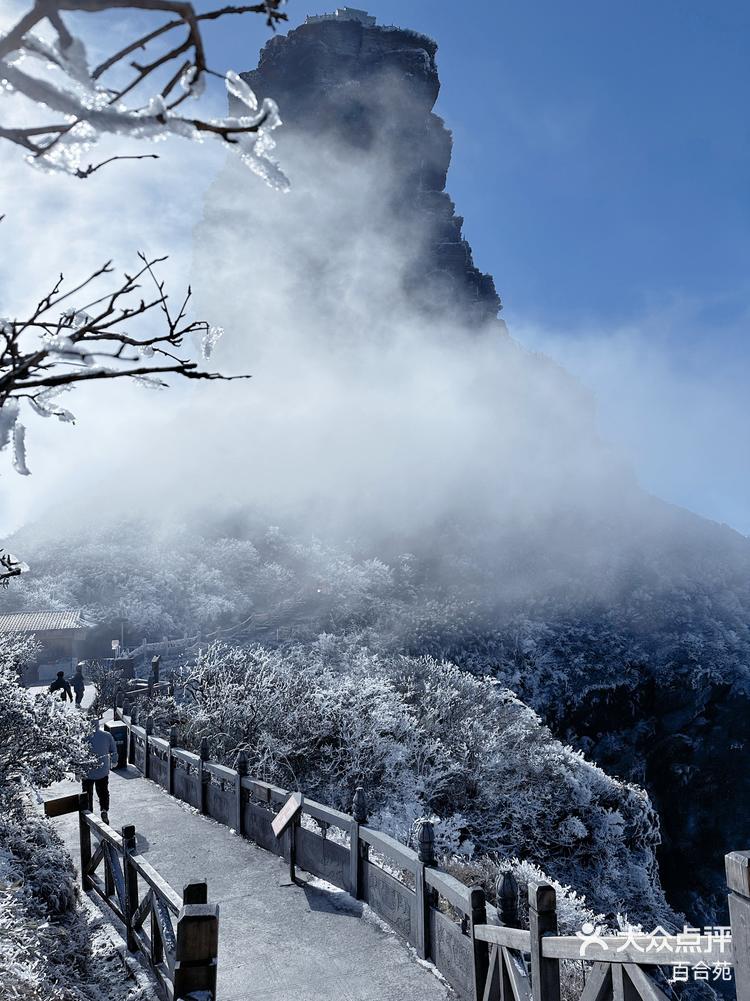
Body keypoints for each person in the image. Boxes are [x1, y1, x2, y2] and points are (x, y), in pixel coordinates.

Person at [82, 716, 118, 825]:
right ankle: (104, 810)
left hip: (87, 772)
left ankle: (90, 815)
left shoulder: (84, 738)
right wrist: (114, 761)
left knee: (87, 793)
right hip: (102, 770)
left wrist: (77, 772)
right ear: (98, 724)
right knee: (103, 792)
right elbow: (114, 751)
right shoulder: (107, 736)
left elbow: (78, 756)